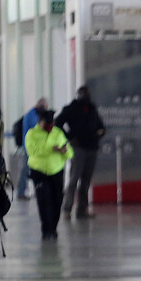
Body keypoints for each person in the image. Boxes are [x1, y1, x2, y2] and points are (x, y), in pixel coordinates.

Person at [55, 85, 106, 218]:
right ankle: (67, 208)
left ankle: (82, 210)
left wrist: (100, 133)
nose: (86, 96)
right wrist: (69, 137)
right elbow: (57, 123)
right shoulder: (71, 108)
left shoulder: (92, 108)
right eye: (83, 93)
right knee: (74, 179)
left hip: (92, 147)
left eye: (87, 93)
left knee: (86, 181)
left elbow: (101, 126)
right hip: (78, 148)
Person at [24, 108, 72, 240]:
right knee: (44, 200)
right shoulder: (31, 134)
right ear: (40, 122)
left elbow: (70, 153)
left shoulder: (58, 133)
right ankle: (46, 229)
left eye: (51, 124)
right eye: (46, 124)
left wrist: (64, 151)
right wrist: (51, 149)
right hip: (39, 172)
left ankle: (53, 228)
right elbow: (32, 151)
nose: (49, 127)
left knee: (57, 201)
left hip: (56, 171)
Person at [16, 98, 48, 200]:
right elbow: (38, 127)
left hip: (37, 147)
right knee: (26, 169)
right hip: (30, 147)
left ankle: (39, 190)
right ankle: (21, 191)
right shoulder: (32, 115)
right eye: (45, 107)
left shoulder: (35, 114)